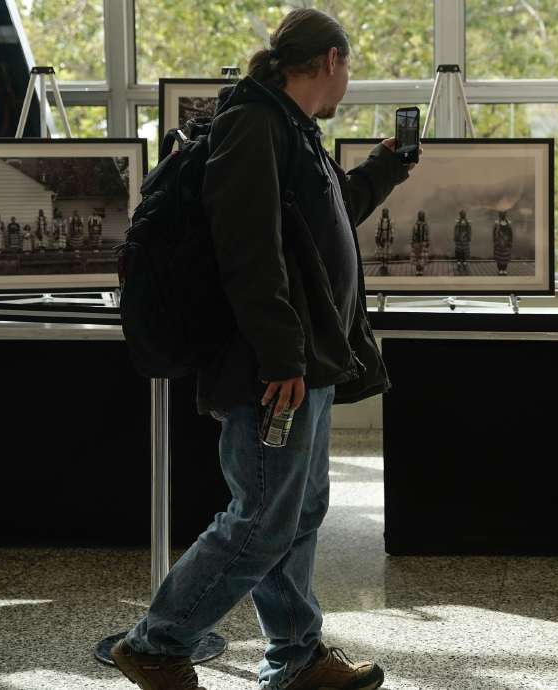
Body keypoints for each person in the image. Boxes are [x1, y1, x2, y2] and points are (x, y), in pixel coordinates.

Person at [110, 9, 412, 690]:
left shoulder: (291, 131)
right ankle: (156, 643)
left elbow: (326, 218)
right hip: (271, 367)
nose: (348, 81)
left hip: (307, 361)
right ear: (330, 60)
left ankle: (297, 655)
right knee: (263, 519)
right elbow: (246, 250)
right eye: (349, 67)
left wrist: (387, 167)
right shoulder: (254, 124)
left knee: (297, 512)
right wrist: (282, 358)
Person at [492, 210, 513, 275]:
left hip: (506, 242)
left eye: (504, 214)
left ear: (505, 214)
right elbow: (493, 232)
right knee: (499, 256)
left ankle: (504, 269)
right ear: (499, 215)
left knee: (505, 257)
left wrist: (510, 241)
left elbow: (511, 233)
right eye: (501, 214)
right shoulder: (497, 222)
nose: (503, 215)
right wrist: (494, 241)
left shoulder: (509, 222)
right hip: (499, 242)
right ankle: (500, 269)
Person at [374, 208, 393, 275]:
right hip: (381, 237)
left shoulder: (390, 221)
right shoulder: (379, 221)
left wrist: (392, 237)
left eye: (386, 212)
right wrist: (376, 237)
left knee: (386, 252)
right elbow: (377, 229)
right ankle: (382, 264)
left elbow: (391, 230)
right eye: (384, 212)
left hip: (387, 238)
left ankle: (385, 264)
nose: (385, 214)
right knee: (381, 251)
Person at [453, 209, 472, 273]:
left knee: (465, 251)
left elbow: (469, 230)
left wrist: (469, 237)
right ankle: (458, 261)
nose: (463, 215)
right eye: (462, 214)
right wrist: (455, 237)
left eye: (464, 214)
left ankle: (464, 261)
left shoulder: (467, 222)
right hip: (459, 239)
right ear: (460, 215)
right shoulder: (457, 221)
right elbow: (456, 230)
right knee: (458, 251)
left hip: (465, 239)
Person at [411, 210, 430, 276]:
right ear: (418, 216)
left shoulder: (425, 225)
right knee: (417, 257)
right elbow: (414, 234)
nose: (422, 217)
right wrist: (413, 242)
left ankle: (421, 270)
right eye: (420, 215)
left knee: (422, 257)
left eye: (423, 215)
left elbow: (427, 234)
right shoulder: (416, 225)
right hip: (417, 243)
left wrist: (427, 241)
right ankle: (417, 270)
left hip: (423, 243)